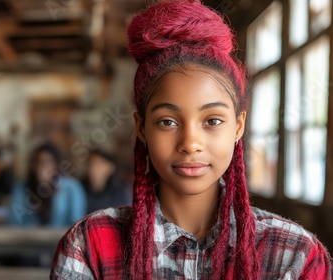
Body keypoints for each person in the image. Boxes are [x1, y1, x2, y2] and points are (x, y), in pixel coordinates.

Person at [51, 1, 331, 279]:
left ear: (238, 127)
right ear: (142, 129)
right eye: (167, 122)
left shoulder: (295, 256)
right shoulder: (90, 245)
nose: (190, 143)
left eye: (212, 121)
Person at [9, 142, 86, 227]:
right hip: (27, 239)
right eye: (39, 162)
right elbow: (13, 223)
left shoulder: (72, 188)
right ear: (33, 166)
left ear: (56, 165)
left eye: (48, 162)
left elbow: (77, 225)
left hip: (63, 239)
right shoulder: (22, 188)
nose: (43, 167)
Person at [83, 149, 131, 214]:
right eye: (90, 164)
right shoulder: (80, 188)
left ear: (111, 168)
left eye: (98, 165)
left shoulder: (120, 190)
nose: (92, 169)